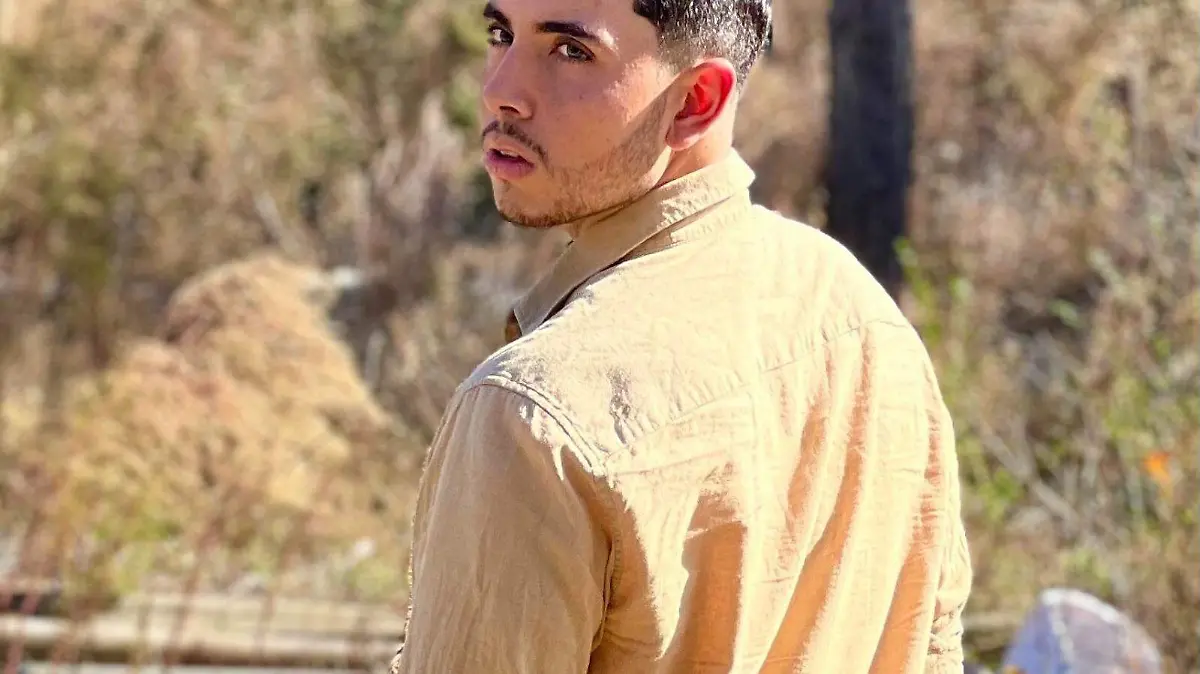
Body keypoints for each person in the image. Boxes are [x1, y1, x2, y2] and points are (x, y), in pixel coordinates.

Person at [392, 0, 973, 671]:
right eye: (502, 34)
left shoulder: (532, 414)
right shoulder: (859, 313)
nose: (500, 91)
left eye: (571, 52)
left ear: (696, 101)